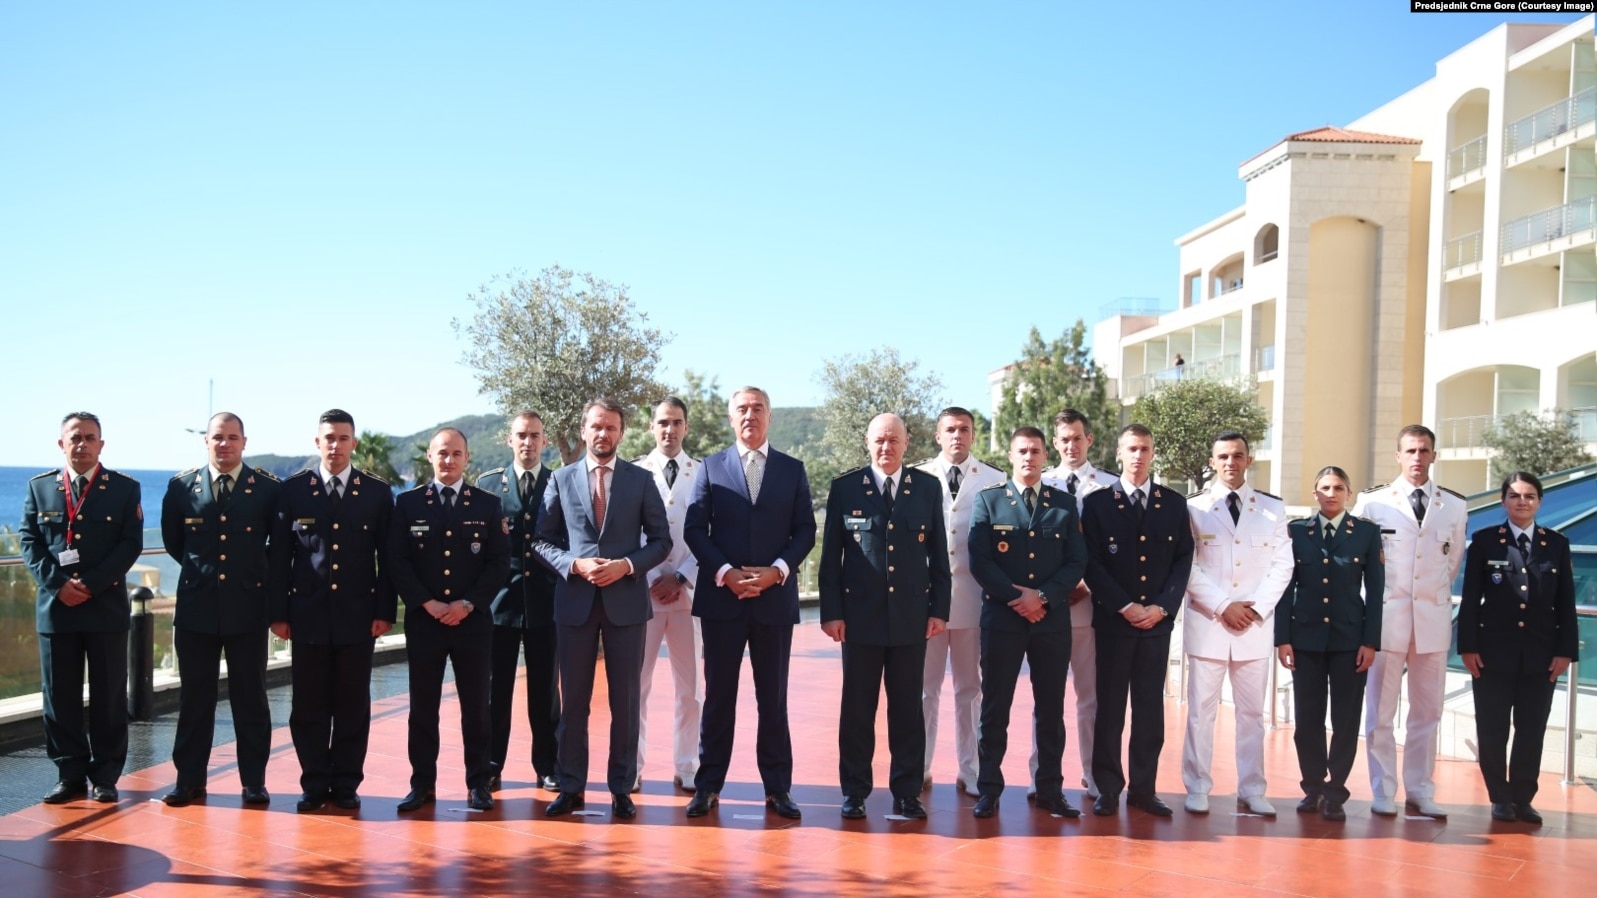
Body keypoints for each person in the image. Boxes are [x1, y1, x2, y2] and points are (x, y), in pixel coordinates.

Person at [683, 386, 817, 820]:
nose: (749, 415)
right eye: (741, 408)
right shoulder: (710, 467)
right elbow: (695, 529)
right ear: (731, 417)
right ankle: (708, 786)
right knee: (718, 699)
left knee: (772, 700)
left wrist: (778, 570)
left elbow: (806, 530)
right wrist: (726, 573)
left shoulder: (792, 469)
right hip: (722, 601)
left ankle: (778, 789)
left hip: (773, 601)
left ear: (770, 417)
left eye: (758, 408)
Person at [533, 399, 671, 819]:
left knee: (625, 703)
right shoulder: (560, 479)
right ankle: (571, 786)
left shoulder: (641, 480)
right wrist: (574, 564)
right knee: (573, 703)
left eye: (611, 427)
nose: (603, 434)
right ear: (583, 431)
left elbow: (661, 541)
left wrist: (626, 565)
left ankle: (621, 788)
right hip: (574, 604)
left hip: (626, 605)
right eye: (596, 426)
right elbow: (541, 541)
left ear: (621, 433)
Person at [819, 413, 950, 820]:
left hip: (911, 618)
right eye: (879, 440)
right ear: (867, 442)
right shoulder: (845, 488)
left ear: (906, 443)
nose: (886, 447)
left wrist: (939, 610)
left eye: (894, 440)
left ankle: (907, 792)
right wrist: (832, 613)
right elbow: (831, 558)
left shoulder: (927, 487)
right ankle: (854, 791)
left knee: (908, 710)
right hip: (859, 619)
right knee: (857, 710)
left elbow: (938, 557)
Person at [269, 409, 395, 812]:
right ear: (317, 442)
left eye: (343, 438)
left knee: (353, 706)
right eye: (329, 438)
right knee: (308, 706)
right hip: (306, 617)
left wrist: (385, 611)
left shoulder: (376, 492)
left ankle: (345, 784)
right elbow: (279, 558)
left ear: (353, 443)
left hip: (358, 617)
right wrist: (278, 614)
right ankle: (314, 782)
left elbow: (388, 558)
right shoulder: (293, 491)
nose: (336, 446)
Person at [966, 425, 1088, 820]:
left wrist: (1043, 597)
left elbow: (1076, 560)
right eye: (1022, 451)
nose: (1029, 457)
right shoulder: (988, 501)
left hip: (1050, 621)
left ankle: (1050, 789)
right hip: (1003, 619)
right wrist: (1018, 598)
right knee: (994, 708)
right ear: (1011, 456)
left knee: (1051, 708)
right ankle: (989, 790)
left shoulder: (1063, 504)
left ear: (1045, 456)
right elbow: (980, 559)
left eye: (1036, 451)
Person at [160, 412, 281, 807]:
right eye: (217, 437)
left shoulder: (267, 489)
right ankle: (189, 781)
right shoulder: (182, 487)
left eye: (232, 437)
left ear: (244, 442)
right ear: (206, 441)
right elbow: (176, 543)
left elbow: (277, 547)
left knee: (251, 699)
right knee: (195, 701)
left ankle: (254, 782)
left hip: (248, 609)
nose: (224, 444)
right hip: (196, 610)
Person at [20, 412, 142, 804]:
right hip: (57, 609)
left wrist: (90, 584)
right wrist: (58, 585)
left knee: (109, 697)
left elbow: (130, 543)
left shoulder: (124, 489)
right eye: (75, 437)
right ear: (62, 443)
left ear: (101, 444)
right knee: (59, 698)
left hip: (104, 607)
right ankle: (69, 775)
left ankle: (105, 775)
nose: (82, 444)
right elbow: (29, 540)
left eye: (90, 437)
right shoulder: (40, 488)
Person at [387, 427, 508, 813]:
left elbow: (498, 562)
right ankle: (422, 784)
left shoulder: (487, 505)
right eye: (442, 453)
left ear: (467, 458)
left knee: (476, 708)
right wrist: (427, 603)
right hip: (426, 622)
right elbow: (397, 560)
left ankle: (479, 784)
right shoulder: (408, 503)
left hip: (472, 622)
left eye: (456, 453)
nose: (449, 460)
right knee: (423, 708)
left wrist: (468, 603)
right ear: (430, 456)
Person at [1352, 424, 1467, 819]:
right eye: (1411, 450)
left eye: (1424, 450)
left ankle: (1420, 790)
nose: (1417, 457)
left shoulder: (1454, 506)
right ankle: (1383, 789)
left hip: (1431, 621)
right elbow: (1360, 564)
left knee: (1427, 712)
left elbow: (1451, 563)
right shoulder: (1372, 503)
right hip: (1386, 621)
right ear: (1398, 456)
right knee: (1380, 712)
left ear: (1434, 455)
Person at [1179, 431, 1292, 816]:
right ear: (1212, 462)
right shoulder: (1194, 507)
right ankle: (1197, 785)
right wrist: (1223, 605)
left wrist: (1256, 609)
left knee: (1252, 715)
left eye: (1238, 455)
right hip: (1209, 623)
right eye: (1223, 456)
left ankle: (1252, 788)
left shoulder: (1272, 509)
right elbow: (1186, 564)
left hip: (1253, 626)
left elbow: (1283, 564)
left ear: (1249, 460)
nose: (1231, 462)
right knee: (1201, 713)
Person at [1082, 423, 1193, 817]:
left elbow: (1183, 559)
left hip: (1155, 625)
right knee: (1110, 709)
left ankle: (1144, 790)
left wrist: (1162, 607)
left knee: (1149, 710)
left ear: (1153, 453)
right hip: (1115, 623)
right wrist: (1124, 605)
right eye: (1131, 449)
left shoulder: (1173, 503)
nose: (1138, 456)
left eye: (1145, 449)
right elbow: (1091, 562)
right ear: (1119, 453)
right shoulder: (1098, 504)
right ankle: (1108, 788)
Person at [1458, 472, 1578, 826]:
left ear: (1539, 501)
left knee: (1532, 729)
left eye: (1529, 496)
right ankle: (1500, 797)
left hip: (1541, 656)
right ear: (1503, 501)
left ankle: (1523, 798)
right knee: (1492, 728)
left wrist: (1565, 652)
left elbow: (1566, 602)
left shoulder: (1556, 543)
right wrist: (1467, 647)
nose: (1521, 501)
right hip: (1492, 654)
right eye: (1514, 495)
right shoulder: (1484, 541)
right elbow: (1470, 600)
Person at [1275, 465, 1382, 822]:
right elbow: (1285, 588)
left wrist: (1371, 641)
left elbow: (1376, 590)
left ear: (1349, 493)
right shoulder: (1296, 532)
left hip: (1350, 641)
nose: (1331, 494)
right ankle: (1313, 787)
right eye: (1325, 488)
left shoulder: (1365, 533)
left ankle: (1336, 790)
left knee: (1345, 719)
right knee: (1307, 719)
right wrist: (1282, 639)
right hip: (1305, 639)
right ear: (1314, 493)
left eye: (1338, 488)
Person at [914, 406, 1005, 797]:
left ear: (973, 435)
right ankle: (919, 766)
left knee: (970, 689)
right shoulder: (917, 477)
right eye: (950, 429)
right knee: (924, 689)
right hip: (926, 601)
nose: (957, 435)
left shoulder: (995, 479)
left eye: (964, 429)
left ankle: (970, 769)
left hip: (974, 599)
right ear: (938, 435)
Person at [475, 411, 561, 794]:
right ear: (509, 440)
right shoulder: (488, 485)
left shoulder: (559, 483)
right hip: (501, 604)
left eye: (535, 435)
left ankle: (548, 765)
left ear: (545, 441)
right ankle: (491, 764)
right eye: (521, 435)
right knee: (496, 690)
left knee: (545, 691)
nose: (528, 442)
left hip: (546, 603)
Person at [1040, 407, 1118, 803]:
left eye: (1078, 438)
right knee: (1046, 699)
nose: (1071, 445)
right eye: (1064, 439)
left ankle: (1093, 774)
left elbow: (1116, 547)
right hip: (1048, 607)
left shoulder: (1111, 485)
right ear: (1055, 443)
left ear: (1090, 440)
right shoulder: (1039, 482)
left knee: (1090, 697)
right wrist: (1053, 590)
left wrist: (1086, 585)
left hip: (1092, 605)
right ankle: (1042, 775)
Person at [632, 397, 704, 793]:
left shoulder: (703, 472)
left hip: (688, 595)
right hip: (642, 594)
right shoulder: (634, 472)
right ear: (651, 426)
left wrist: (680, 577)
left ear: (686, 427)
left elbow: (710, 532)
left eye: (677, 422)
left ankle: (687, 764)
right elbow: (628, 533)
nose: (669, 429)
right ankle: (631, 765)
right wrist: (652, 578)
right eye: (662, 422)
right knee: (635, 686)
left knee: (690, 689)